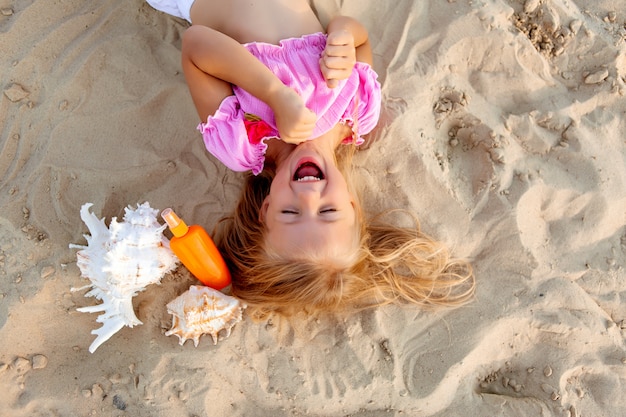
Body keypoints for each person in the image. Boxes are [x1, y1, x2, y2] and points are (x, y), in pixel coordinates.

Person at [146, 0, 475, 318]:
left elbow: (196, 45)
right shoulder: (359, 113)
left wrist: (273, 94)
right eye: (328, 211)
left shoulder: (242, 143)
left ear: (265, 209)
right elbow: (357, 38)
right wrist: (343, 39)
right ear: (352, 205)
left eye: (290, 212)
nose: (308, 195)